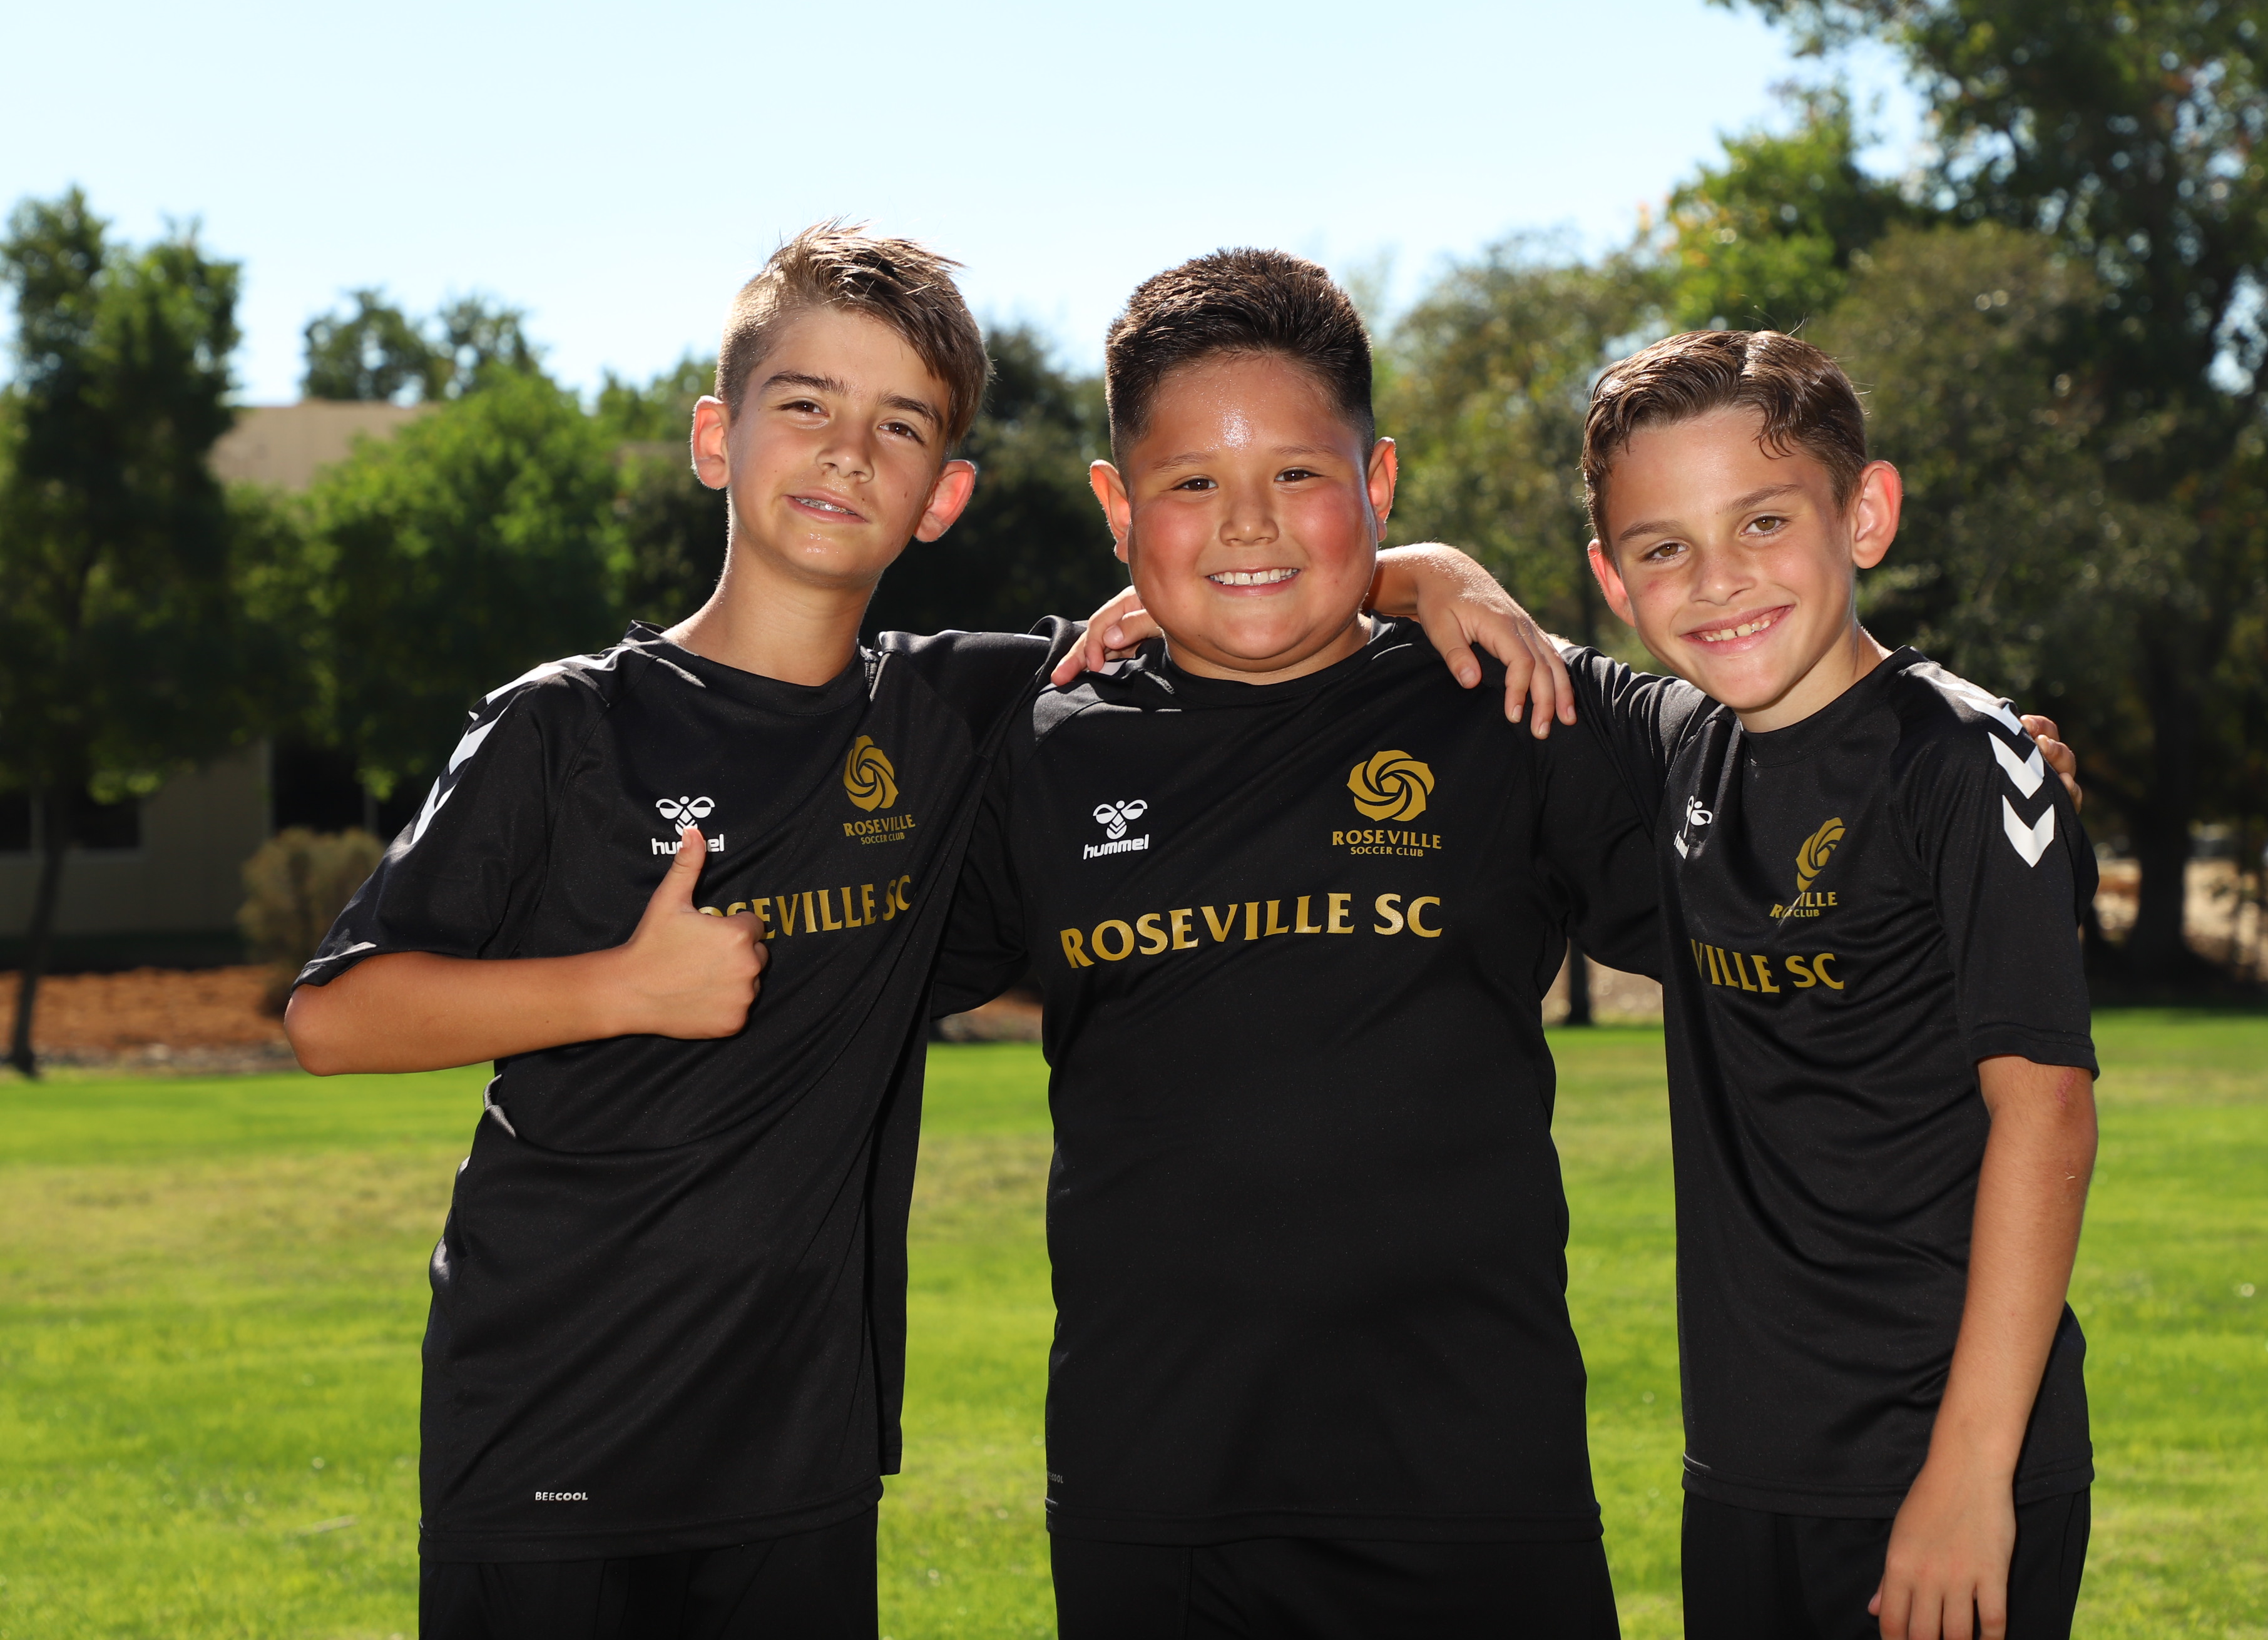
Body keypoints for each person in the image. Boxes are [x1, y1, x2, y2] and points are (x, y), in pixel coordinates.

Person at [282, 223, 1564, 1640]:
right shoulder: (566, 724)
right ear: (715, 438)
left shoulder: (966, 713)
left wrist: (1420, 570)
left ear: (943, 496)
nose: (847, 454)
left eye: (899, 426)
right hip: (551, 1417)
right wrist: (623, 987)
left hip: (802, 1449)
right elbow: (334, 1016)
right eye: (806, 405)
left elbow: (1230, 578)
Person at [934, 248, 1660, 1638]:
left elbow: (1780, 801)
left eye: (1298, 474)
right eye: (1190, 485)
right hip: (1159, 1506)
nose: (1246, 525)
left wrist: (1962, 760)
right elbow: (835, 953)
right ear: (1117, 507)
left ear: (1379, 483)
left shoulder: (1504, 702)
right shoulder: (1044, 745)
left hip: (1475, 1494)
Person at [1555, 329, 2102, 1640]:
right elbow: (1485, 633)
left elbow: (2048, 1116)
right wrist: (1407, 570)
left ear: (1865, 514)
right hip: (1747, 1468)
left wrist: (1968, 1474)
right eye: (1662, 548)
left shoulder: (1963, 761)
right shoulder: (1680, 749)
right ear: (1614, 579)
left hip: (1946, 1460)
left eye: (1762, 521)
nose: (1717, 580)